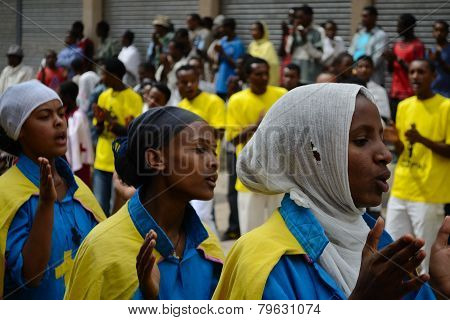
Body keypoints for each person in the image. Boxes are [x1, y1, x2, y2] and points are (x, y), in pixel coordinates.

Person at [213, 83, 450, 300]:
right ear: (314, 156)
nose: (385, 154)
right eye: (361, 140)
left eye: (381, 137)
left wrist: (438, 294)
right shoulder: (262, 262)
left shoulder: (381, 246)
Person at [65, 107, 224, 299]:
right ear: (155, 158)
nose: (214, 162)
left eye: (213, 151)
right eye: (200, 149)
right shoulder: (102, 250)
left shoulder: (207, 245)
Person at [0, 80, 105, 299]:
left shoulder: (79, 188)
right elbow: (31, 276)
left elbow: (105, 252)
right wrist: (46, 205)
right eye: (44, 116)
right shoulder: (6, 193)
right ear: (20, 131)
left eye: (60, 113)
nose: (59, 122)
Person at [384, 59, 450, 272]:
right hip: (401, 189)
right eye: (412, 72)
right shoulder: (404, 106)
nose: (415, 76)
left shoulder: (446, 107)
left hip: (429, 195)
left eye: (421, 72)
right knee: (393, 250)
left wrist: (423, 140)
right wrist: (395, 141)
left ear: (433, 76)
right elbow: (403, 150)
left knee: (424, 259)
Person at [226, 57, 287, 234]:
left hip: (278, 175)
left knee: (281, 231)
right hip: (249, 177)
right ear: (247, 76)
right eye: (258, 74)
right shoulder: (237, 100)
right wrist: (258, 125)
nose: (264, 77)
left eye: (266, 73)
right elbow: (233, 140)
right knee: (251, 232)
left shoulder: (281, 93)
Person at [177, 65, 226, 234]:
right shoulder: (181, 105)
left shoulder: (213, 101)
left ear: (199, 81)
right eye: (184, 82)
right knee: (190, 213)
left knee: (201, 214)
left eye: (193, 81)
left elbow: (219, 132)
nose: (189, 85)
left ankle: (214, 256)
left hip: (206, 163)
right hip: (184, 165)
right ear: (178, 84)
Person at [92, 59, 143, 216]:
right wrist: (100, 122)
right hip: (102, 159)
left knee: (120, 209)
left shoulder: (134, 98)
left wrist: (111, 121)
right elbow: (98, 129)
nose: (102, 78)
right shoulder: (103, 96)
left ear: (115, 75)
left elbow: (133, 132)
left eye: (104, 74)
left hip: (122, 162)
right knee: (100, 206)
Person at [384, 14, 425, 121]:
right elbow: (390, 70)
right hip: (395, 93)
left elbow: (417, 70)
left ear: (409, 27)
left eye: (400, 26)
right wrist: (390, 60)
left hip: (410, 93)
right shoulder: (396, 45)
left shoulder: (417, 46)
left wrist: (398, 59)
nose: (397, 29)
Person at [59, 81, 94, 187]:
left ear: (68, 97)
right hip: (70, 160)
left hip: (81, 161)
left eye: (61, 95)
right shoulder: (67, 114)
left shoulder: (79, 116)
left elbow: (81, 141)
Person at [349, 6, 388, 86]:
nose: (363, 19)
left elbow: (377, 58)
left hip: (373, 80)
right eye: (362, 16)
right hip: (355, 76)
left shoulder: (381, 35)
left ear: (374, 17)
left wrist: (362, 69)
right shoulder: (359, 34)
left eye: (366, 16)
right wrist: (354, 69)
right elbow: (351, 52)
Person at [285, 5, 323, 84]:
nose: (298, 20)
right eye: (296, 17)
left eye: (300, 17)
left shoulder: (318, 31)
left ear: (309, 17)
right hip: (296, 71)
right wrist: (293, 34)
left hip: (311, 73)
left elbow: (319, 55)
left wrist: (305, 40)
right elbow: (289, 51)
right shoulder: (295, 31)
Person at [214, 18, 245, 100]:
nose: (221, 29)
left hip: (230, 83)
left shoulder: (238, 44)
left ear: (230, 28)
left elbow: (237, 65)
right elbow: (218, 62)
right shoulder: (222, 41)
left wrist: (222, 52)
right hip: (220, 81)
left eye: (223, 27)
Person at [355, 55, 390, 121]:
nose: (364, 70)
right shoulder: (349, 88)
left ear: (373, 69)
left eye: (367, 67)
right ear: (355, 69)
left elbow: (384, 115)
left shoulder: (380, 90)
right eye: (360, 66)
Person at [248, 21, 280, 86]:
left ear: (262, 32)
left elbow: (273, 64)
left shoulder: (268, 46)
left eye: (255, 30)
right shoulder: (251, 45)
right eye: (252, 30)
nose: (253, 33)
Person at [429, 20, 450, 98]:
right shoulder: (430, 51)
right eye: (436, 30)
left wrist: (439, 60)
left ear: (447, 32)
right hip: (434, 92)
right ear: (433, 33)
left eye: (442, 30)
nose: (439, 33)